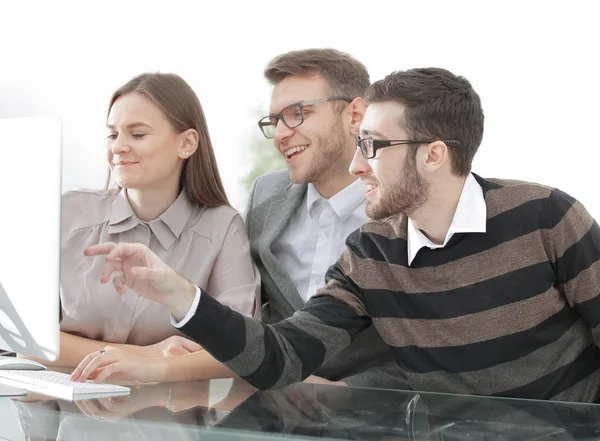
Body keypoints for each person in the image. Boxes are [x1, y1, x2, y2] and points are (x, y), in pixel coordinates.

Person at [83, 68, 600, 401]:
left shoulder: (548, 217)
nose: (356, 166)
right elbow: (282, 358)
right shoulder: (369, 254)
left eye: (371, 146)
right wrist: (181, 295)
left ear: (434, 154)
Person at [73, 49, 406, 389]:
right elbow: (247, 325)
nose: (280, 134)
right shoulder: (267, 197)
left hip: (376, 418)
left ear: (355, 115)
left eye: (297, 114)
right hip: (269, 412)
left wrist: (350, 393)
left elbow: (437, 353)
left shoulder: (405, 208)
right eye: (274, 121)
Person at [53, 73, 260, 380]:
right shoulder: (68, 213)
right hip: (60, 420)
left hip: (167, 422)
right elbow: (24, 339)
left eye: (137, 135)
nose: (118, 147)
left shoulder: (222, 229)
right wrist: (145, 356)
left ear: (187, 143)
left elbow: (243, 349)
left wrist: (144, 366)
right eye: (113, 135)